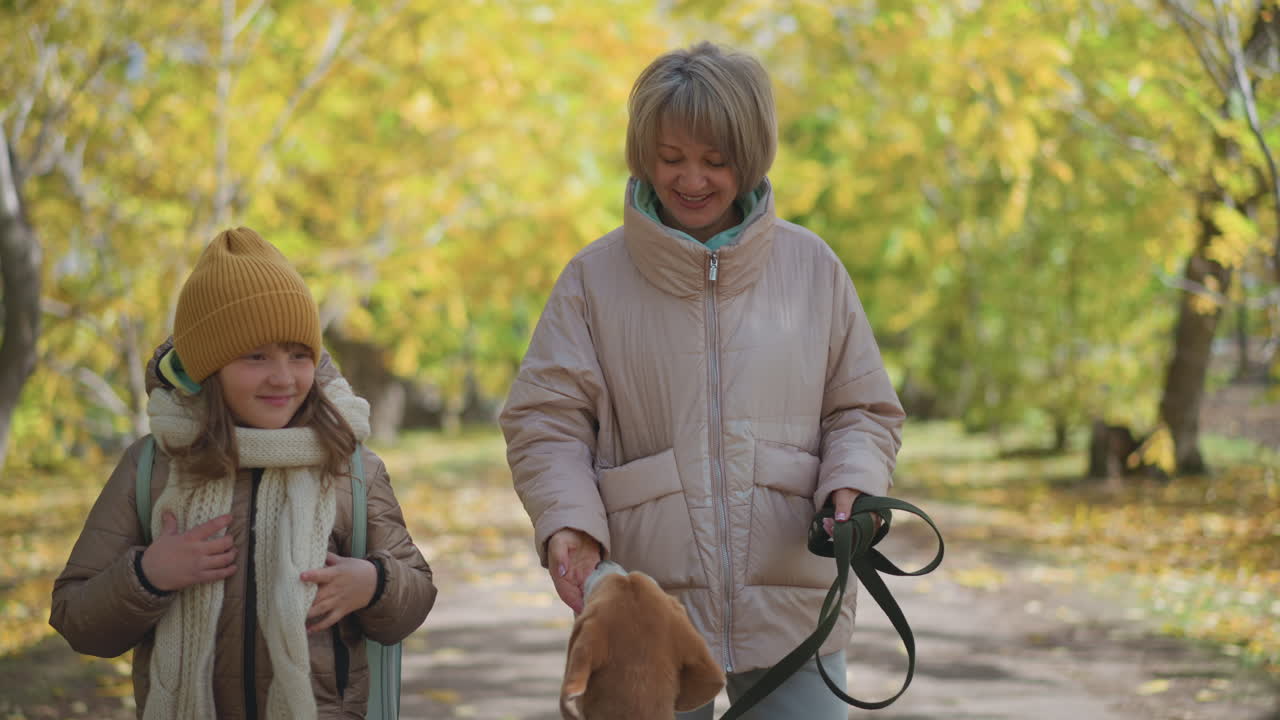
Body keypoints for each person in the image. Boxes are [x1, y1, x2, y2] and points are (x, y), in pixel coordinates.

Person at [499, 42, 905, 719]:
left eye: (715, 161)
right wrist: (568, 519)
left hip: (793, 603)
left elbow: (861, 407)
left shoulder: (812, 269)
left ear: (750, 157)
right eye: (672, 158)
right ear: (642, 154)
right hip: (645, 615)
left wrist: (852, 480)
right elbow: (546, 419)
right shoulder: (593, 280)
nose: (692, 179)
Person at [50, 227, 436, 719]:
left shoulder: (348, 466)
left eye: (299, 355)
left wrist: (375, 583)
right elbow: (75, 617)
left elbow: (416, 593)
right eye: (256, 356)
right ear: (209, 368)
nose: (283, 376)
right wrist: (148, 575)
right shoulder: (154, 467)